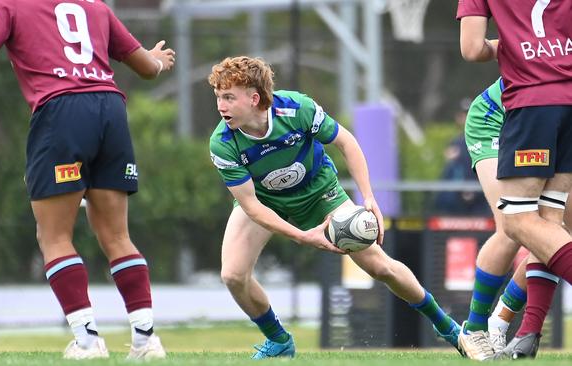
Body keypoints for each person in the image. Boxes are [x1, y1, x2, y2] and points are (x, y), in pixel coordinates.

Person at [0, 0, 175, 360]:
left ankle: (87, 342)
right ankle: (147, 340)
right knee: (117, 236)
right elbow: (148, 68)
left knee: (54, 236)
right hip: (111, 110)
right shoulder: (95, 6)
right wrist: (156, 59)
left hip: (62, 113)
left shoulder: (7, 3)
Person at [207, 56, 462, 359]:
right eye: (218, 97)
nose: (221, 106)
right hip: (266, 201)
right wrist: (301, 236)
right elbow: (250, 205)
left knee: (380, 267)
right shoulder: (222, 143)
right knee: (233, 275)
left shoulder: (297, 108)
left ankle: (448, 328)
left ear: (254, 98)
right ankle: (278, 340)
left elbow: (347, 143)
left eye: (228, 97)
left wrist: (368, 198)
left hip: (320, 192)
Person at [458, 1, 572, 360]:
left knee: (547, 228)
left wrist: (511, 44)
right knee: (514, 226)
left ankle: (517, 330)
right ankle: (477, 329)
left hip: (541, 103)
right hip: (497, 118)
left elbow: (473, 48)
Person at [434, 98, 488, 215]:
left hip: (480, 199)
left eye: (470, 114)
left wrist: (473, 191)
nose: (466, 118)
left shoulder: (486, 140)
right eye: (464, 115)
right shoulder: (455, 142)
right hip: (456, 203)